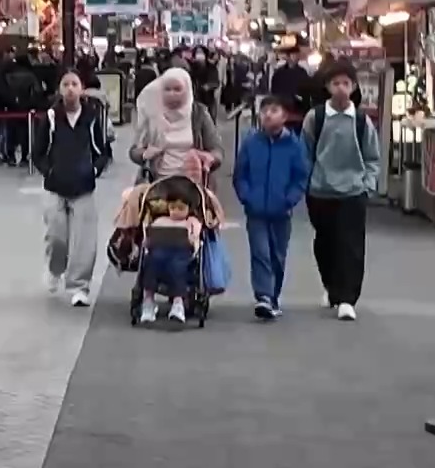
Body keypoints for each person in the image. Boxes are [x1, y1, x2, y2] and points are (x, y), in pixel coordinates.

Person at [302, 62, 382, 320]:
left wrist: (368, 185)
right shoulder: (315, 117)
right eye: (335, 83)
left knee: (351, 246)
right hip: (320, 190)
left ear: (354, 87)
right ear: (327, 87)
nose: (340, 88)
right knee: (324, 244)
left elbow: (372, 156)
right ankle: (331, 286)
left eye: (345, 83)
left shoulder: (361, 121)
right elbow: (305, 152)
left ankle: (348, 298)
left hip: (353, 191)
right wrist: (306, 183)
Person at [38, 69, 115, 305]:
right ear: (59, 90)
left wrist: (94, 170)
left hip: (83, 187)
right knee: (56, 237)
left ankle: (79, 287)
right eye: (66, 84)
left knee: (84, 241)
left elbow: (103, 151)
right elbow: (38, 151)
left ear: (82, 89)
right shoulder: (51, 117)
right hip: (55, 186)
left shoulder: (92, 117)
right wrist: (49, 171)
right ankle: (55, 270)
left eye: (74, 84)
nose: (70, 89)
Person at [232, 94, 311, 321]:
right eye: (264, 110)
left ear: (284, 116)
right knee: (260, 253)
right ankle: (263, 296)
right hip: (256, 210)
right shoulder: (251, 142)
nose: (268, 115)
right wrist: (247, 197)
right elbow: (240, 174)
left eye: (274, 110)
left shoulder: (294, 145)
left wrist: (289, 199)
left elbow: (300, 176)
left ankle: (273, 296)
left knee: (277, 255)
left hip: (281, 211)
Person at [129, 67, 223, 181]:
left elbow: (217, 150)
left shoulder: (199, 114)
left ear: (187, 90)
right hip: (158, 182)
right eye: (167, 89)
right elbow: (134, 150)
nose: (172, 94)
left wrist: (209, 158)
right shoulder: (152, 113)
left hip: (193, 183)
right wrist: (145, 154)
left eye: (177, 89)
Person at [139, 194, 202, 324]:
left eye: (180, 208)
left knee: (177, 265)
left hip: (182, 253)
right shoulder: (160, 221)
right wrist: (147, 241)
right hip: (160, 251)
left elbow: (196, 240)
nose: (176, 211)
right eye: (172, 208)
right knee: (151, 260)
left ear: (188, 208)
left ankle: (178, 303)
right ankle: (148, 301)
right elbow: (150, 239)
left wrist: (192, 240)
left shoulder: (191, 222)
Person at [271, 45, 313, 117]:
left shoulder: (302, 72)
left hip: (299, 107)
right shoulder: (279, 73)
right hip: (283, 106)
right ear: (288, 56)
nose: (296, 57)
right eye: (294, 55)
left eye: (297, 55)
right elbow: (275, 90)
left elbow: (307, 90)